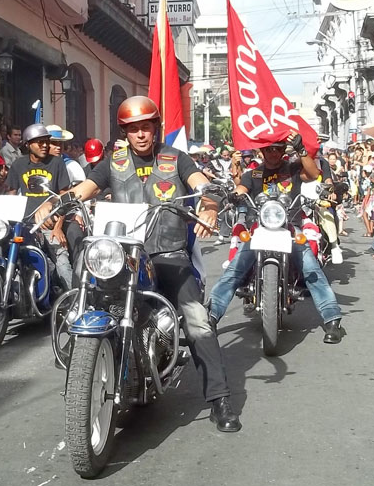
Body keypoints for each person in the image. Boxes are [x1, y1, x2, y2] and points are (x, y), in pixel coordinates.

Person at [34, 97, 241, 432]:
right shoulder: (111, 162)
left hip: (167, 254)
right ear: (124, 132)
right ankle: (83, 374)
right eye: (134, 129)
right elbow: (84, 189)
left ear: (156, 128)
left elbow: (203, 185)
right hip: (123, 254)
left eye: (146, 127)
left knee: (198, 320)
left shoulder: (177, 159)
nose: (141, 134)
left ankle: (220, 399)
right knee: (82, 298)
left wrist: (210, 206)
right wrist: (56, 203)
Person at [208, 135, 346, 346]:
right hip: (259, 228)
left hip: (290, 226)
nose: (273, 153)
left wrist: (301, 148)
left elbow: (313, 173)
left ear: (283, 150)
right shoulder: (252, 173)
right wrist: (234, 195)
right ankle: (211, 316)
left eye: (277, 149)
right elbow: (242, 189)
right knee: (235, 269)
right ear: (262, 151)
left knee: (312, 269)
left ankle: (332, 319)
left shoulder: (292, 168)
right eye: (269, 149)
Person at [8, 123, 73, 289]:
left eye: (46, 141)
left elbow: (63, 196)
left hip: (50, 223)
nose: (44, 145)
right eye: (39, 142)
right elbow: (11, 194)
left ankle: (74, 300)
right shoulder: (18, 165)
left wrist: (58, 228)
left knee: (62, 261)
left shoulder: (57, 163)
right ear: (28, 144)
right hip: (25, 224)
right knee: (11, 255)